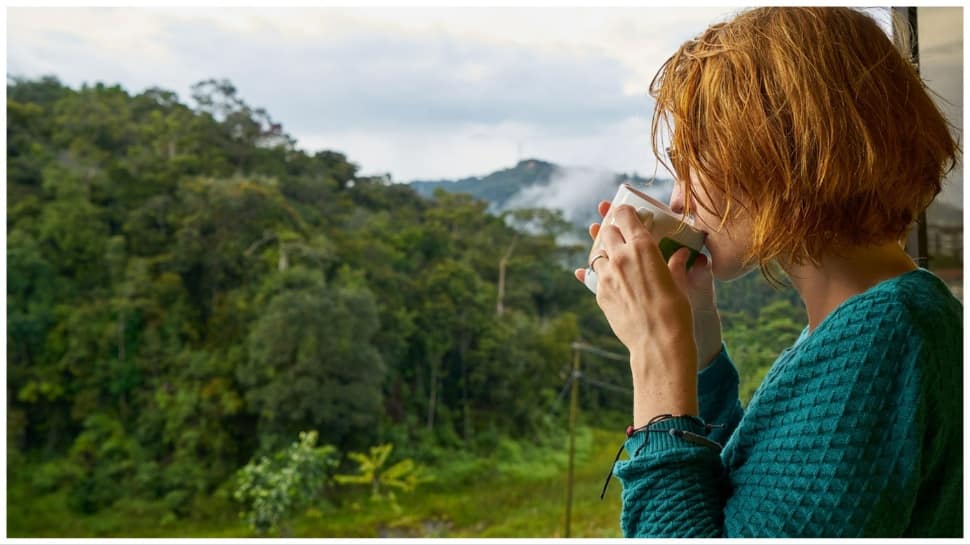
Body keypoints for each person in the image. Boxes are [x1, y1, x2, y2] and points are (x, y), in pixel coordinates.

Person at [573, 7, 962, 538]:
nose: (679, 198)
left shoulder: (882, 337)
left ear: (780, 151)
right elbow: (756, 498)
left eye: (693, 163)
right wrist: (697, 342)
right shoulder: (876, 319)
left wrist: (655, 361)